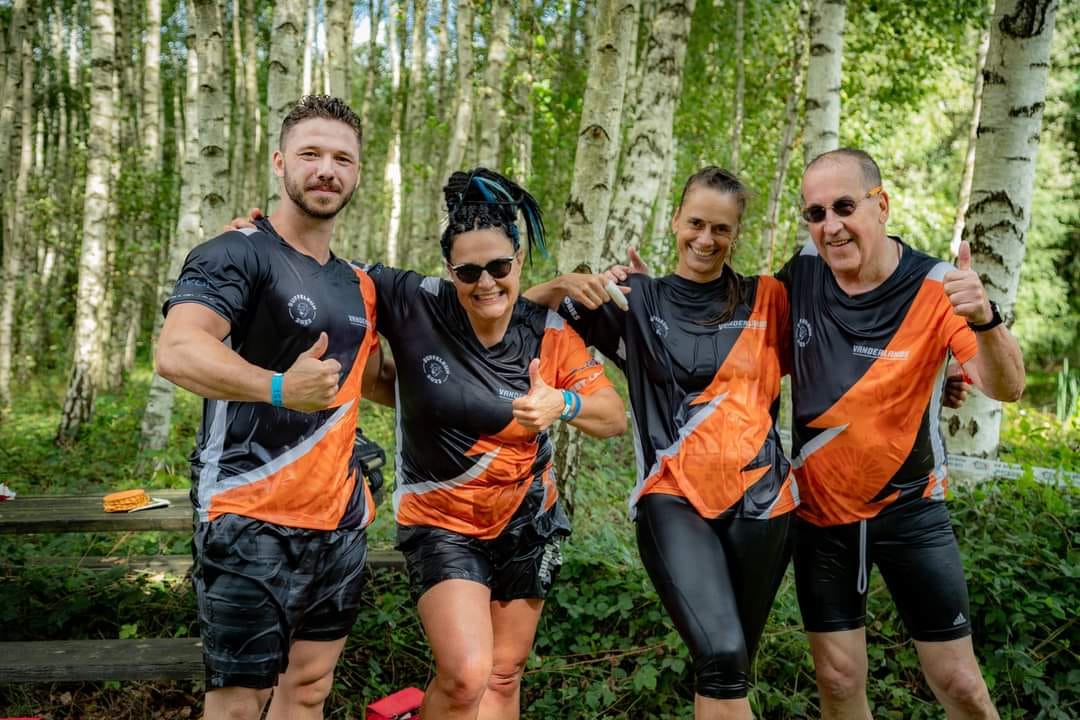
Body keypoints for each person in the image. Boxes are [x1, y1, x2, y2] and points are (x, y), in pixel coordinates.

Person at [526, 166, 796, 720]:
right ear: (675, 220)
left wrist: (948, 378)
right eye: (695, 222)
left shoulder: (769, 298)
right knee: (721, 652)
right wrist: (559, 284)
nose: (705, 239)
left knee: (729, 668)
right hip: (673, 496)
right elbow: (515, 316)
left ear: (736, 234)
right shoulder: (634, 300)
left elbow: (834, 356)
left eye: (721, 229)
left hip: (765, 503)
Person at [156, 95, 393, 720]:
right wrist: (279, 387)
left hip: (338, 518)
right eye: (311, 154)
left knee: (308, 692)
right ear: (279, 161)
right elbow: (178, 351)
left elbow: (382, 381)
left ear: (358, 173)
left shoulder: (358, 283)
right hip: (247, 511)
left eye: (343, 158)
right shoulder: (235, 252)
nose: (326, 170)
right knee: (237, 706)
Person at [363, 168, 627, 720]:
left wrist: (564, 404)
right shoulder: (417, 303)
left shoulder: (548, 329)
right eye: (469, 271)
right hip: (440, 520)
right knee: (465, 676)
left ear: (519, 262)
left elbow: (613, 416)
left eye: (500, 267)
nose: (486, 282)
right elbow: (318, 270)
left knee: (504, 676)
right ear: (449, 271)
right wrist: (261, 237)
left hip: (528, 519)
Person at [779, 148, 1025, 719]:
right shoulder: (802, 275)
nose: (830, 226)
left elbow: (1006, 387)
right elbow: (740, 338)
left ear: (881, 204)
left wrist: (986, 320)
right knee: (838, 682)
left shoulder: (938, 286)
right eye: (815, 213)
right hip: (820, 516)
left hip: (910, 511)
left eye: (844, 206)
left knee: (961, 684)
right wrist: (653, 296)